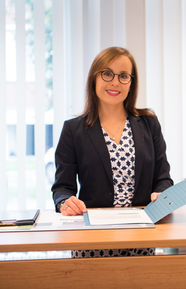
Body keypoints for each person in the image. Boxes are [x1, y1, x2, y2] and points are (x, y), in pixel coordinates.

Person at [51, 46, 173, 258]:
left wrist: (162, 194)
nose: (115, 82)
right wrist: (65, 202)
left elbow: (162, 178)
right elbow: (62, 187)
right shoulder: (73, 130)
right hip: (93, 239)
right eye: (107, 74)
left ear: (131, 83)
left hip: (141, 237)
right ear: (94, 78)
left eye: (123, 76)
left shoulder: (149, 124)